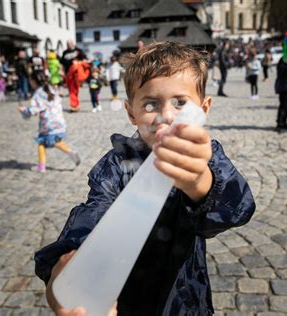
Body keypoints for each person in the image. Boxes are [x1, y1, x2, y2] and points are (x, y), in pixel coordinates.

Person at [34, 41, 256, 315]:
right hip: (128, 302)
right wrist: (63, 276)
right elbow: (90, 218)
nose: (166, 115)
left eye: (180, 103)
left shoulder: (205, 157)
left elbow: (239, 208)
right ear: (131, 112)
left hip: (184, 299)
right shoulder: (117, 165)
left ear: (204, 108)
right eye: (151, 103)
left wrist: (198, 181)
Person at [18, 74, 80, 172]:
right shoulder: (51, 89)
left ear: (34, 81)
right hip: (59, 121)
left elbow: (34, 110)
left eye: (30, 81)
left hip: (48, 124)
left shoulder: (38, 94)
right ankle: (70, 152)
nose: (30, 83)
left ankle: (42, 166)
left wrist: (24, 110)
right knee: (54, 141)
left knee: (42, 142)